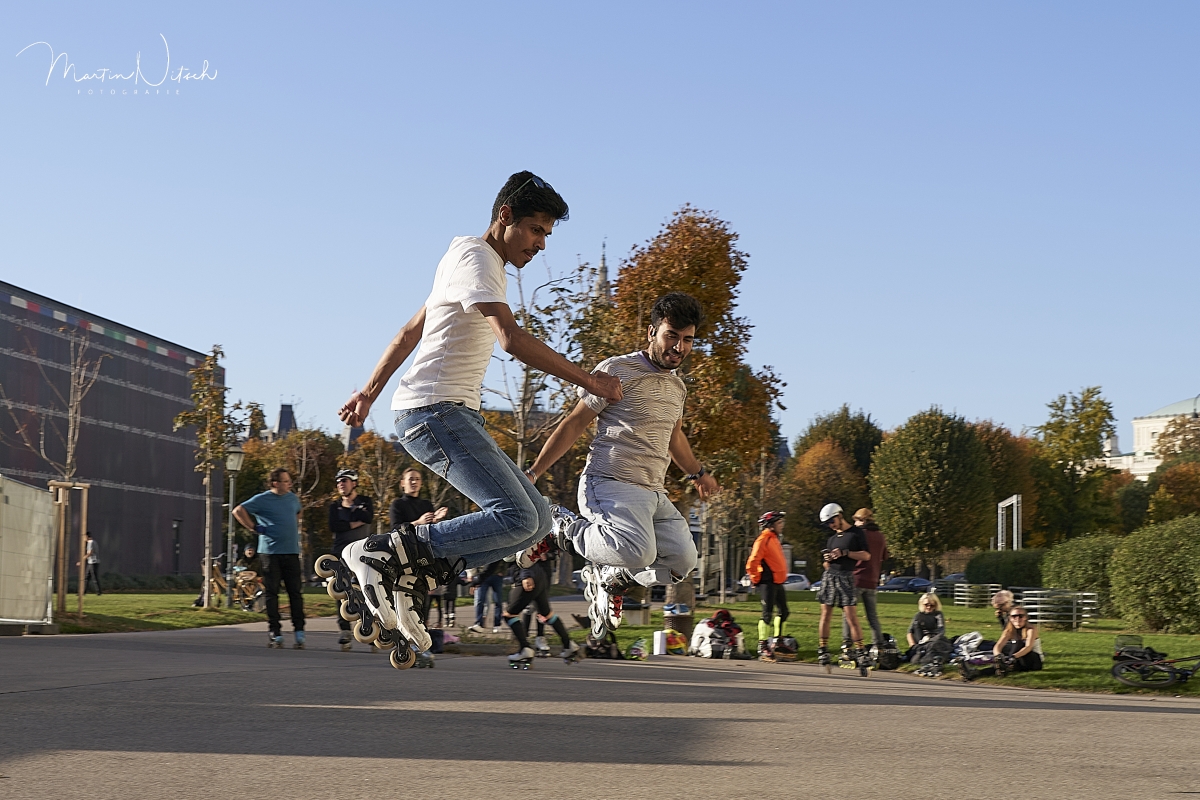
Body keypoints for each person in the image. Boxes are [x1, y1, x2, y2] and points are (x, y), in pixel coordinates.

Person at [337, 171, 622, 656]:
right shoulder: (479, 259)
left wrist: (368, 392)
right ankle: (381, 552)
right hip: (434, 411)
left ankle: (413, 575)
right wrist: (590, 382)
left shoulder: (461, 257)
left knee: (535, 522)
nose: (541, 244)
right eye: (535, 230)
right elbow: (511, 339)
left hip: (443, 413)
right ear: (505, 216)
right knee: (516, 514)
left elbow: (409, 333)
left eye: (547, 234)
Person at [522, 292, 721, 638]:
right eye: (671, 336)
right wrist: (534, 472)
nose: (679, 347)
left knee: (683, 561)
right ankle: (560, 530)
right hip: (609, 482)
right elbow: (574, 423)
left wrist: (698, 473)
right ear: (652, 332)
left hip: (653, 492)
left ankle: (614, 577)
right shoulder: (616, 370)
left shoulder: (677, 387)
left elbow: (674, 437)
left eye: (688, 340)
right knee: (638, 550)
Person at [233, 468, 305, 649]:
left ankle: (299, 631)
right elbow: (238, 510)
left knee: (295, 592)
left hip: (291, 552)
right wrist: (254, 527)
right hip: (270, 553)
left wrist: (290, 526)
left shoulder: (292, 498)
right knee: (272, 593)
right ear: (275, 483)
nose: (289, 484)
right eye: (285, 481)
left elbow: (298, 512)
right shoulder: (262, 499)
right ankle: (275, 632)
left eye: (289, 481)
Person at [389, 468, 457, 628]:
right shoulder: (397, 504)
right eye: (411, 479)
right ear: (403, 483)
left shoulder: (426, 504)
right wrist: (418, 522)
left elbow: (431, 533)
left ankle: (421, 634)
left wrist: (436, 520)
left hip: (424, 560)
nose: (414, 482)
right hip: (404, 559)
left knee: (423, 602)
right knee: (403, 600)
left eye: (417, 479)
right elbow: (394, 530)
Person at [503, 543, 581, 665]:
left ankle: (525, 648)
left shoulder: (512, 535)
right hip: (540, 576)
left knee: (509, 615)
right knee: (546, 614)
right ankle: (568, 645)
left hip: (528, 577)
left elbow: (524, 550)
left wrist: (526, 575)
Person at [815, 503, 871, 670]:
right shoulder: (832, 539)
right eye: (827, 524)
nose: (830, 526)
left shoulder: (856, 533)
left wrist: (845, 553)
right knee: (825, 614)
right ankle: (823, 649)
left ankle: (860, 651)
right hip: (830, 577)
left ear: (839, 516)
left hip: (846, 577)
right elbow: (826, 565)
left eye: (831, 521)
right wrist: (827, 559)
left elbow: (866, 555)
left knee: (851, 617)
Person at [328, 468, 374, 650]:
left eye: (344, 480)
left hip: (362, 553)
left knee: (365, 591)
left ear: (354, 483)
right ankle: (345, 630)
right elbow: (334, 526)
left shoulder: (365, 501)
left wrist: (347, 523)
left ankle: (368, 627)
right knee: (341, 591)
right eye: (338, 481)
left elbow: (368, 517)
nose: (341, 484)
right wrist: (355, 521)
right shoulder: (334, 506)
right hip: (340, 553)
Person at [842, 508, 888, 648]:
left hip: (856, 578)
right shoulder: (880, 536)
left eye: (856, 520)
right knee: (872, 616)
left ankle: (847, 644)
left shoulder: (858, 534)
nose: (854, 523)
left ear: (862, 520)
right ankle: (878, 645)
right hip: (872, 580)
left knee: (848, 614)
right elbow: (884, 556)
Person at [746, 511, 789, 657]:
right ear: (770, 525)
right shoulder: (763, 539)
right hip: (767, 581)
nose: (782, 525)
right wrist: (755, 579)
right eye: (779, 523)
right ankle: (762, 645)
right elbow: (752, 562)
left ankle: (778, 641)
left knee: (784, 612)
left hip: (777, 581)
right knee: (767, 614)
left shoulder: (774, 539)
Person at [466, 560, 506, 634]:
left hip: (496, 575)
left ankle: (497, 625)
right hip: (482, 575)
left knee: (498, 601)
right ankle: (479, 624)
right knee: (480, 600)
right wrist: (475, 575)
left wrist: (503, 571)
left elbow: (505, 559)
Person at [905, 593, 947, 662]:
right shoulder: (918, 615)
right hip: (920, 640)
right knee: (916, 625)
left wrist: (930, 640)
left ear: (936, 605)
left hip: (933, 640)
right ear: (922, 604)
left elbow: (941, 631)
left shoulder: (938, 614)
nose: (929, 607)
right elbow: (910, 632)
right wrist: (912, 645)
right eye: (926, 605)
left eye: (932, 605)